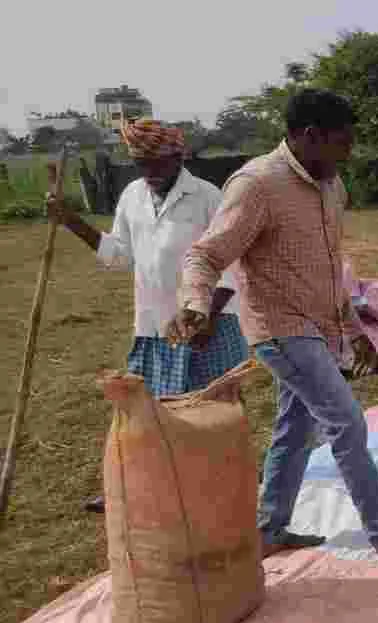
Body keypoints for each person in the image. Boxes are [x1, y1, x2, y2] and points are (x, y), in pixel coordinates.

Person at [167, 89, 378, 560]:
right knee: (347, 423)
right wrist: (195, 304)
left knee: (294, 431)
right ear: (309, 136)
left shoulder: (332, 186)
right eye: (341, 144)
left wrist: (355, 331)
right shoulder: (257, 185)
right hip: (279, 328)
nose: (347, 154)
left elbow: (331, 271)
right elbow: (206, 254)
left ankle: (269, 531)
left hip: (319, 327)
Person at [45, 118, 248, 514]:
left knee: (210, 415)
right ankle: (134, 486)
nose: (150, 172)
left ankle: (216, 487)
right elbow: (120, 256)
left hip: (211, 324)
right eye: (141, 163)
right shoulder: (132, 196)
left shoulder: (206, 196)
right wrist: (72, 221)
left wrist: (205, 313)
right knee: (145, 414)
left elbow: (231, 264)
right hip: (155, 327)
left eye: (157, 162)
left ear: (178, 156)